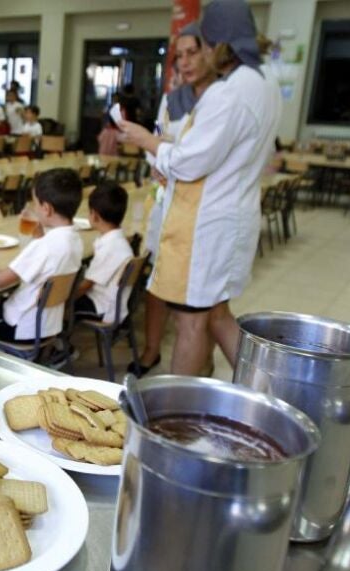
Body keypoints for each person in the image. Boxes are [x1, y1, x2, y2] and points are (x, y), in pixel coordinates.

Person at [118, 0, 280, 376]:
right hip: (234, 213)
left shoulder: (228, 92)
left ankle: (178, 408)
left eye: (203, 46)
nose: (200, 55)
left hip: (205, 226)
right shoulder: (266, 82)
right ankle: (265, 392)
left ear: (219, 44)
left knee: (191, 322)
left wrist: (146, 140)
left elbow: (189, 162)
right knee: (218, 315)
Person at [129, 22, 217, 377]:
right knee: (157, 278)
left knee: (199, 303)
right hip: (166, 199)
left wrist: (169, 157)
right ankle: (151, 350)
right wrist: (157, 160)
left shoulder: (218, 100)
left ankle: (202, 364)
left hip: (199, 207)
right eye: (178, 57)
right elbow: (158, 139)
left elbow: (198, 157)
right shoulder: (171, 101)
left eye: (191, 53)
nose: (183, 63)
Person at [0, 169, 84, 342]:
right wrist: (39, 235)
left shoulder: (45, 246)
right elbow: (47, 264)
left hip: (19, 327)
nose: (34, 208)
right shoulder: (74, 239)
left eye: (35, 203)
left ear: (46, 209)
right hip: (47, 326)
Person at [73, 181, 134, 324]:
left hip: (102, 307)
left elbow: (86, 286)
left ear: (94, 216)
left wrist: (63, 301)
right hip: (112, 302)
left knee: (55, 305)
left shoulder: (110, 248)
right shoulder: (118, 241)